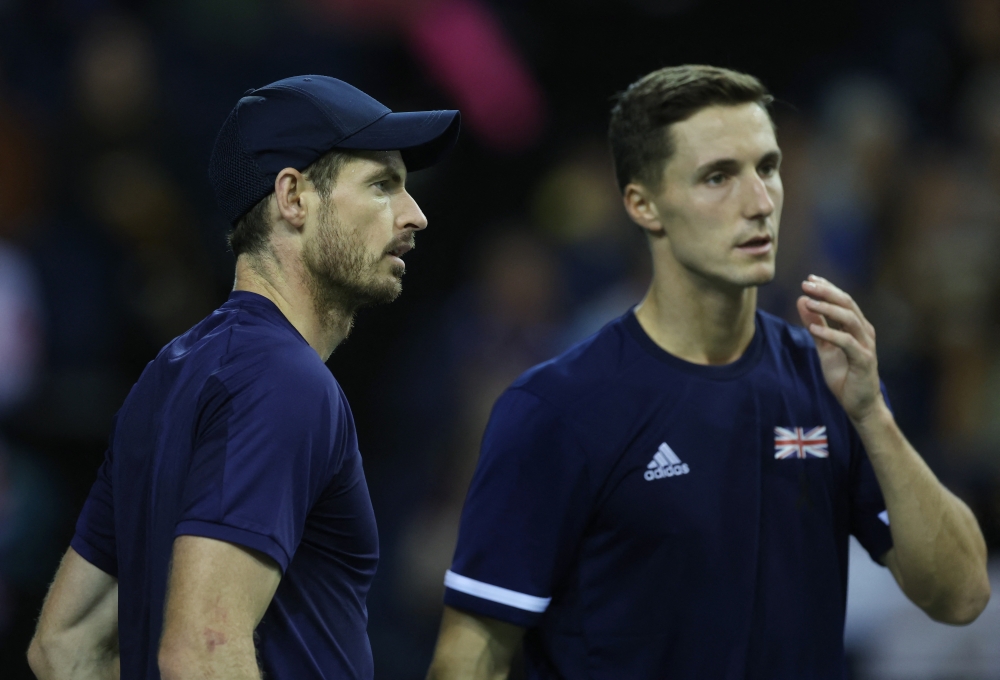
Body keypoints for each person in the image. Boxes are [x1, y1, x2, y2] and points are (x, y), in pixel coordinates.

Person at [426, 65, 990, 679]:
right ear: (643, 205)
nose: (759, 202)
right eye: (718, 177)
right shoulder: (558, 409)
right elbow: (471, 655)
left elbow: (961, 596)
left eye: (767, 168)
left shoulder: (831, 384)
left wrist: (871, 415)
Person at [27, 75, 460, 680]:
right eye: (383, 184)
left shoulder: (173, 372)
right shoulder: (284, 380)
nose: (414, 215)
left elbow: (66, 642)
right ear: (293, 198)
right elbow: (203, 652)